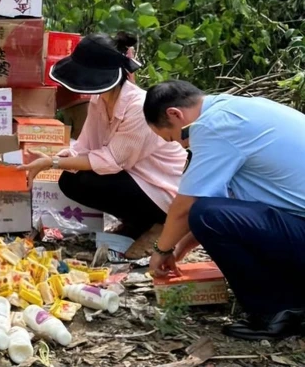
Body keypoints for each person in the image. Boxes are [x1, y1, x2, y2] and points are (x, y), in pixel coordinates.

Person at [144, 80, 305, 340]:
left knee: (205, 215)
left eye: (172, 137)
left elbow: (188, 207)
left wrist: (161, 251)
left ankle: (276, 311)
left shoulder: (211, 126)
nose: (181, 145)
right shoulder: (235, 109)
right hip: (296, 224)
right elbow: (223, 201)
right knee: (210, 213)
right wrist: (182, 246)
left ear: (176, 115)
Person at [21, 33, 187, 258]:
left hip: (163, 189)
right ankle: (137, 224)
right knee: (71, 180)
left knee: (88, 179)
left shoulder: (138, 107)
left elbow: (111, 161)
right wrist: (58, 158)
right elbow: (84, 147)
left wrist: (53, 162)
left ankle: (161, 223)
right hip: (134, 178)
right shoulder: (100, 101)